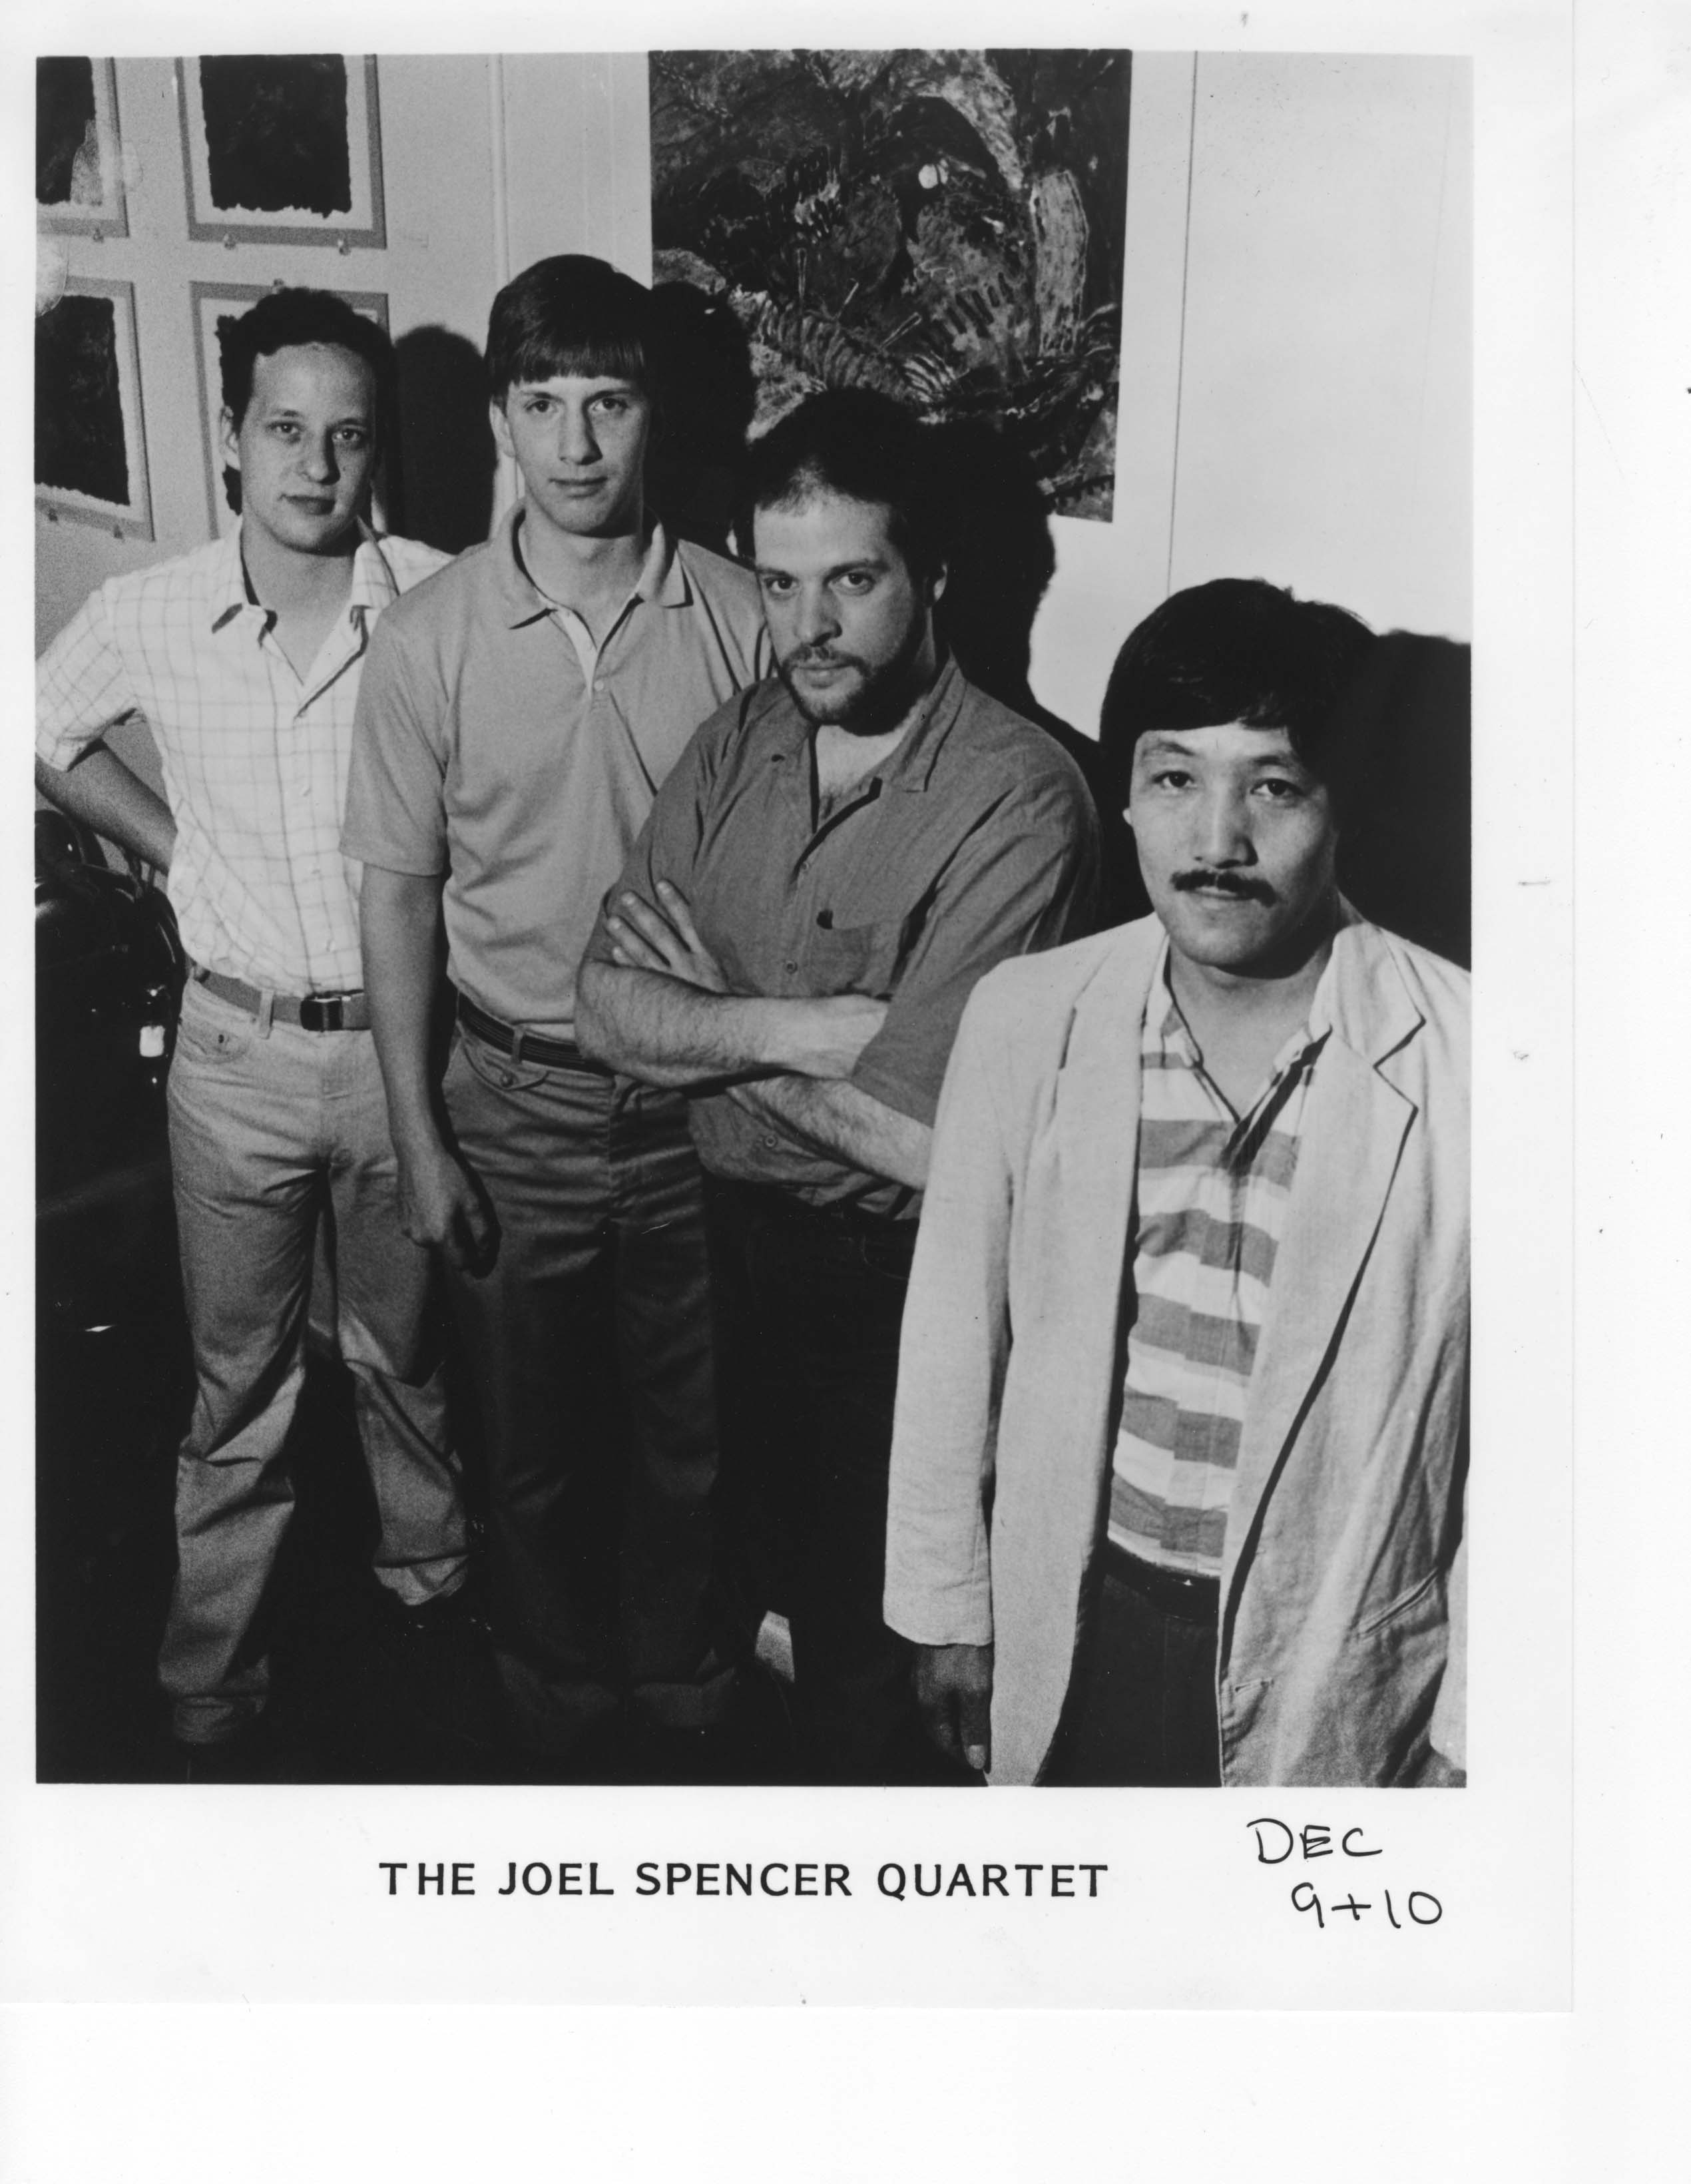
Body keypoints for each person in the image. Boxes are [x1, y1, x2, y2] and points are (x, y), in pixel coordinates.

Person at [574, 388, 1100, 1783]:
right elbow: (601, 1004)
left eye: (851, 582)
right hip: (717, 1243)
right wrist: (800, 1030)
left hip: (893, 1291)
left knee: (877, 1657)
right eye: (778, 583)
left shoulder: (1021, 799)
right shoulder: (739, 736)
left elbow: (924, 1144)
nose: (807, 626)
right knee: (747, 1593)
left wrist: (704, 1029)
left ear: (933, 576)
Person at [883, 578, 1469, 1788]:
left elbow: (1528, 1444)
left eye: (1273, 786)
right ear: (1125, 793)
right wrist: (947, 1610)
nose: (1216, 843)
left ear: (1342, 802)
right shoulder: (1030, 1015)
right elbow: (951, 1335)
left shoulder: (1473, 1060)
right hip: (1083, 1616)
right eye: (1173, 780)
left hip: (1337, 1658)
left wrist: (1471, 1732)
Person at [35, 288, 469, 1770]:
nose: (315, 464)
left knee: (405, 1354)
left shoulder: (437, 598)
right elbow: (41, 729)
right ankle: (211, 1683)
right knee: (241, 1389)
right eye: (285, 429)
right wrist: (171, 850)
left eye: (347, 435)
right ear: (233, 438)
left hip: (404, 1057)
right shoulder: (153, 612)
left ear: (376, 450)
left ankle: (431, 1588)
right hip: (232, 1064)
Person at [343, 255, 769, 1765]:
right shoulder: (427, 638)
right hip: (509, 1103)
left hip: (694, 1110)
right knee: (525, 1446)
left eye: (610, 401)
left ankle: (682, 1681)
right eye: (543, 404)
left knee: (691, 1436)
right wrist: (422, 1141)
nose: (577, 443)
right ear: (497, 421)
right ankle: (551, 1689)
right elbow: (398, 899)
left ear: (656, 416)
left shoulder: (742, 617)